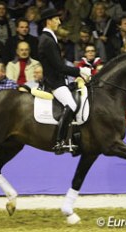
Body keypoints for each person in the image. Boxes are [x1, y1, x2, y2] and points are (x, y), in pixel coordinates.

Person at [38, 8, 91, 154]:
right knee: (72, 105)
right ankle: (59, 141)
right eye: (56, 19)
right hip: (54, 82)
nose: (59, 22)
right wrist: (79, 71)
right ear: (49, 21)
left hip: (59, 79)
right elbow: (59, 67)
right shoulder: (47, 40)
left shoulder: (49, 38)